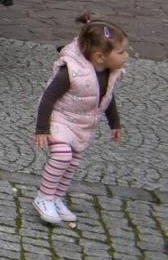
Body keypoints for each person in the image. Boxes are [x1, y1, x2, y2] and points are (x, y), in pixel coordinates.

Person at [33, 14, 129, 226]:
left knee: (73, 162)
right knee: (62, 156)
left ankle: (57, 198)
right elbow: (48, 97)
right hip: (60, 118)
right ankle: (44, 197)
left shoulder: (110, 73)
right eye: (121, 52)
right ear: (99, 56)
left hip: (82, 124)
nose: (126, 56)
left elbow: (107, 99)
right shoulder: (72, 72)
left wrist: (115, 124)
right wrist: (42, 128)